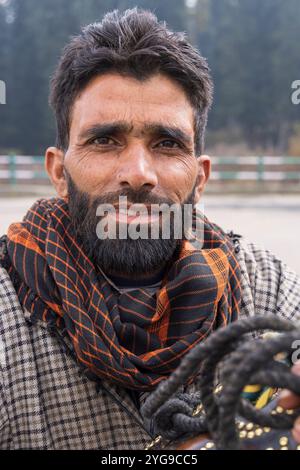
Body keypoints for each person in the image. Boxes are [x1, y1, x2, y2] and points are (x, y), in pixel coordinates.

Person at [0, 8, 299, 450]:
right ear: (59, 172)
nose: (138, 173)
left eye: (166, 143)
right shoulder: (9, 315)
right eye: (104, 140)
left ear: (200, 178)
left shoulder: (264, 285)